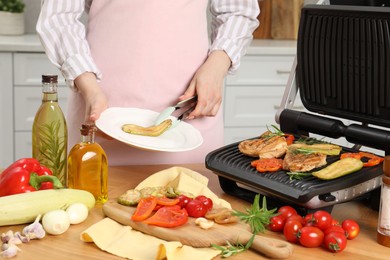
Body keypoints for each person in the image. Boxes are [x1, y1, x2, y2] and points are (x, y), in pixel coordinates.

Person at [36, 0, 260, 166]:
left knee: (194, 215)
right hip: (101, 107)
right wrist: (88, 86)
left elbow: (239, 10)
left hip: (190, 109)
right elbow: (59, 16)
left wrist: (217, 66)